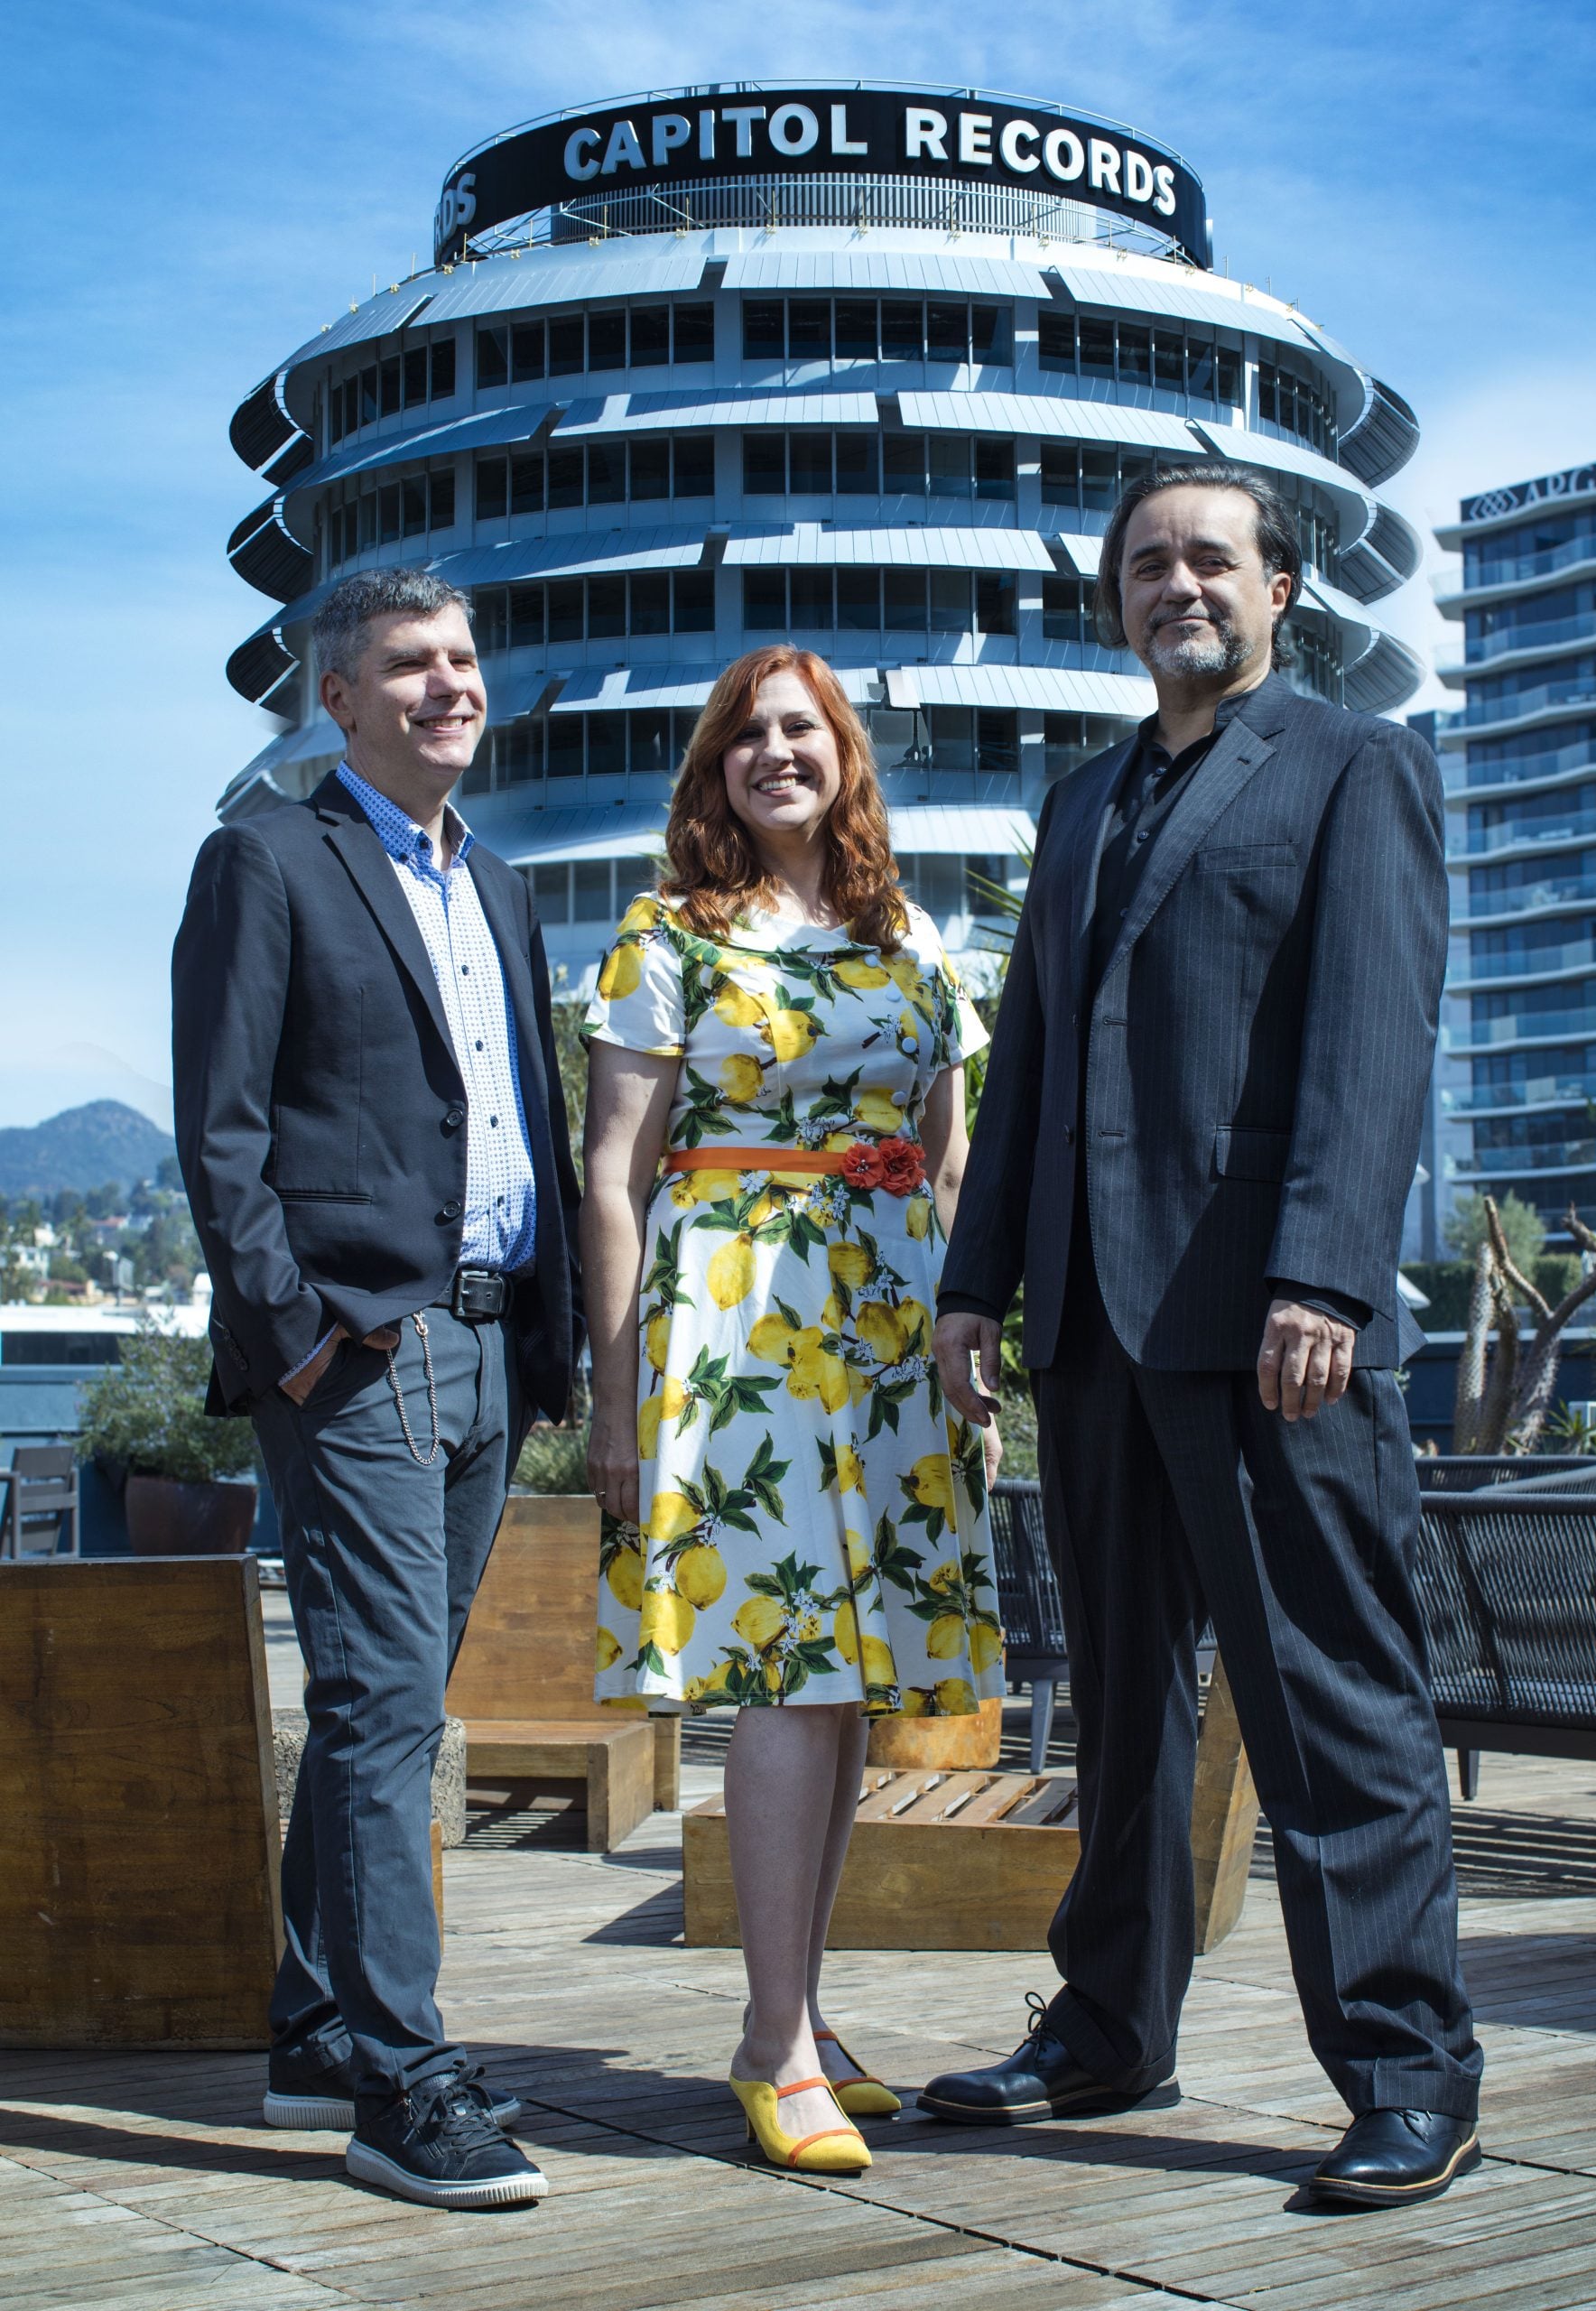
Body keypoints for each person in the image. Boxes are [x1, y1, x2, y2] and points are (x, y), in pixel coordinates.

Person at [927, 464, 1484, 2209]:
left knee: (1331, 1700)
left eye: (1210, 559)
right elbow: (1026, 1061)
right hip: (1092, 1323)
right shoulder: (1076, 804)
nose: (1179, 585)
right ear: (1117, 602)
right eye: (1147, 564)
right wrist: (973, 1284)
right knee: (1116, 1709)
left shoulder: (1350, 765)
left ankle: (1407, 2071)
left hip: (1269, 1328)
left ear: (1280, 591)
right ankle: (1108, 2029)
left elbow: (1369, 1036)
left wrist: (1323, 1276)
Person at [172, 568, 581, 2211]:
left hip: (490, 1346)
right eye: (409, 665)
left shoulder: (498, 884)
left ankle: (318, 2028)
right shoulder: (266, 857)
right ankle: (405, 2089)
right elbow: (223, 1139)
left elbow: (524, 1126)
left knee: (384, 1696)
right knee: (384, 1709)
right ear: (333, 698)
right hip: (361, 1350)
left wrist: (541, 1344)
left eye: (464, 661)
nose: (446, 687)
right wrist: (302, 1336)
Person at [582, 644, 1001, 2174]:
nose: (775, 754)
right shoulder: (665, 937)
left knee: (852, 1684)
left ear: (845, 758)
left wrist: (970, 1351)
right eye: (747, 734)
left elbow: (952, 1163)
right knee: (788, 1670)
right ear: (714, 766)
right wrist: (617, 1394)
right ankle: (770, 2046)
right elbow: (614, 1179)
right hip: (734, 1327)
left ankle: (804, 2018)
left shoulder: (909, 940)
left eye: (803, 732)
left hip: (891, 1333)